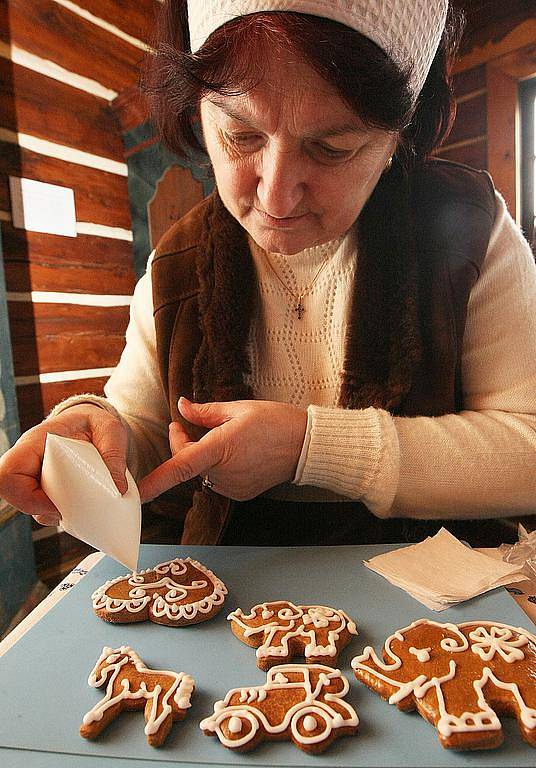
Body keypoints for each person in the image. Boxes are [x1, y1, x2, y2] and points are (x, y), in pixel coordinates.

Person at [1, 0, 535, 547]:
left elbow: (530, 449)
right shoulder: (178, 262)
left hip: (436, 596)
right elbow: (139, 428)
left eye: (333, 148)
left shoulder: (469, 227)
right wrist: (89, 436)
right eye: (240, 135)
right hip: (230, 598)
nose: (276, 196)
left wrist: (309, 447)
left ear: (399, 140)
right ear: (198, 113)